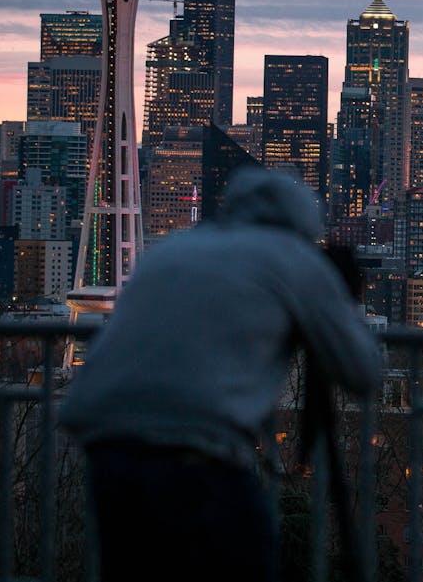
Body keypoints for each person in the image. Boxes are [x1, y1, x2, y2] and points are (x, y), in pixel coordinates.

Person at [60, 167, 382, 582]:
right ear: (304, 225)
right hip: (195, 454)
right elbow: (362, 370)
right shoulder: (294, 259)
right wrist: (336, 302)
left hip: (108, 447)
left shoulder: (174, 249)